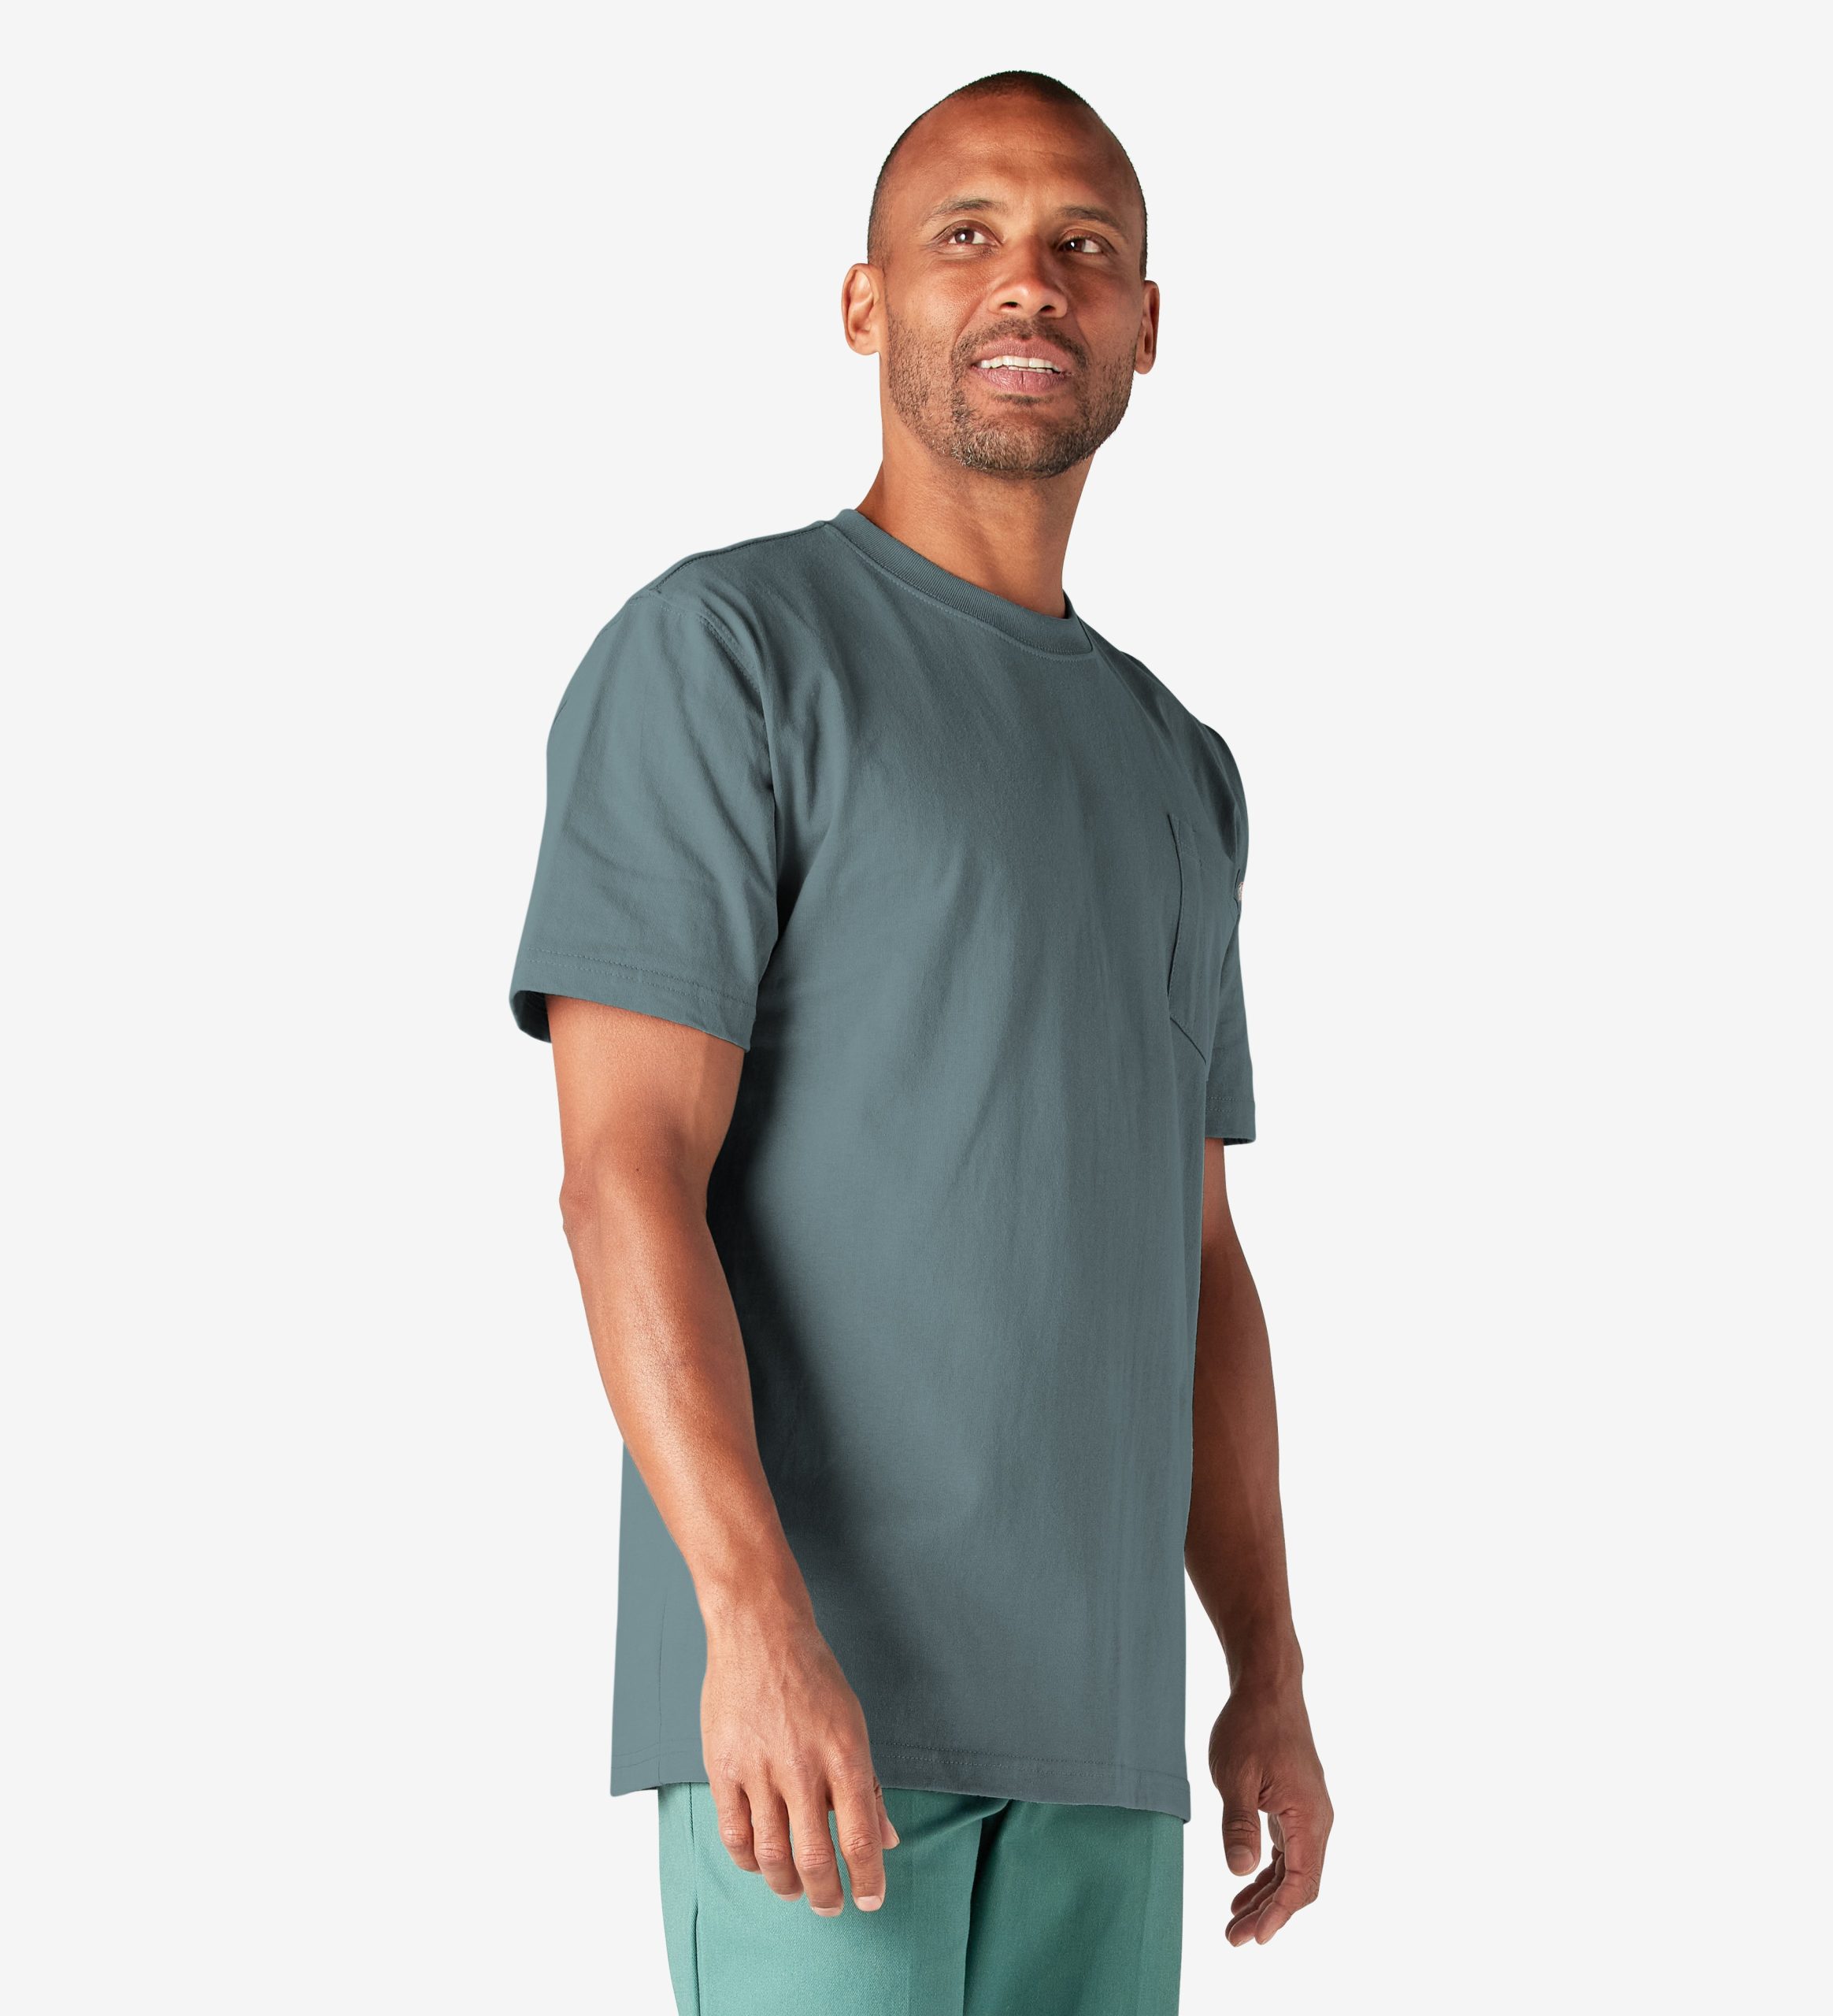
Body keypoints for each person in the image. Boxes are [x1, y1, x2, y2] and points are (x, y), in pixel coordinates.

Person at [509, 69, 1330, 2015]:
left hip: (1104, 1753)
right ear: (865, 302)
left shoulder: (1179, 768)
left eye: (1081, 246)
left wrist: (1267, 1670)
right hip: (815, 1731)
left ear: (1145, 322)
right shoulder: (725, 653)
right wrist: (747, 1618)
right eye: (966, 234)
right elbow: (624, 1171)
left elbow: (1195, 1259)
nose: (1028, 280)